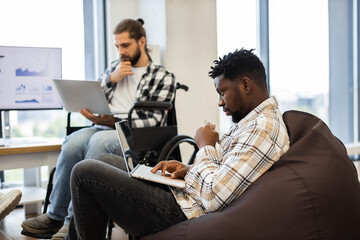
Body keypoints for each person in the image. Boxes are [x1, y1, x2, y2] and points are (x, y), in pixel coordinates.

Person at [66, 48, 291, 239]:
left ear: (245, 84)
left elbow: (215, 198)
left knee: (84, 172)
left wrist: (205, 147)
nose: (220, 102)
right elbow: (226, 173)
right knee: (101, 159)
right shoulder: (252, 123)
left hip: (186, 210)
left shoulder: (263, 128)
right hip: (188, 194)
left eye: (222, 92)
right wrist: (189, 170)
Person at [21, 18, 176, 240]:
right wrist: (112, 79)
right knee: (74, 141)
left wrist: (111, 121)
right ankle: (54, 217)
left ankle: (72, 222)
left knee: (99, 143)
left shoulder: (163, 75)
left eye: (125, 46)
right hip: (102, 125)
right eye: (117, 46)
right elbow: (94, 92)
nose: (120, 52)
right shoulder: (114, 68)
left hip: (132, 133)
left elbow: (153, 120)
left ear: (142, 42)